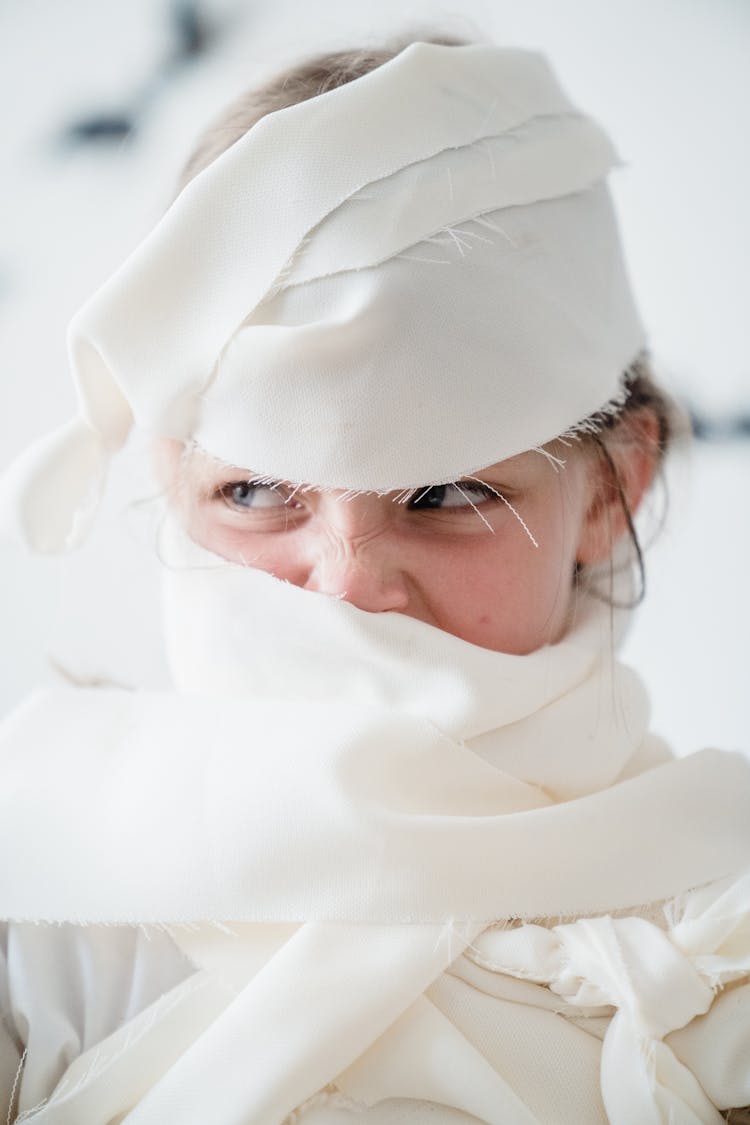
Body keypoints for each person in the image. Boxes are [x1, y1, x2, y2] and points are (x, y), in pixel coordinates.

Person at [0, 35, 749, 1125]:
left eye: (443, 495)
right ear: (170, 475)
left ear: (608, 491)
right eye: (258, 493)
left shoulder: (720, 920)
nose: (347, 590)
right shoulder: (38, 888)